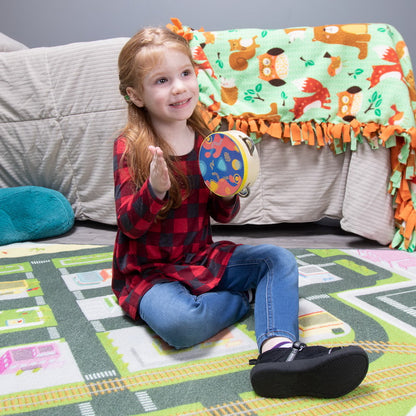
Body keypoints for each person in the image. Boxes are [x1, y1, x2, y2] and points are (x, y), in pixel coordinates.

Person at [112, 26, 369, 399]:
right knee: (181, 324)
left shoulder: (207, 141)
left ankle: (278, 352)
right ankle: (251, 299)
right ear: (135, 94)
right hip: (151, 273)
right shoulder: (131, 146)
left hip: (199, 256)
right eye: (162, 81)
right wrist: (154, 191)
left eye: (185, 74)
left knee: (277, 260)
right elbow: (128, 225)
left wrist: (230, 190)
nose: (180, 87)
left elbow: (222, 214)